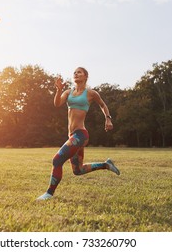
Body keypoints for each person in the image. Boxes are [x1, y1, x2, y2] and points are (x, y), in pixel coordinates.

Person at [37, 67, 120, 200]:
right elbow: (57, 103)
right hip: (72, 136)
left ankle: (49, 193)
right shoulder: (68, 92)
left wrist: (108, 118)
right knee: (78, 170)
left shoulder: (91, 93)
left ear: (85, 77)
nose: (76, 74)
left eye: (79, 72)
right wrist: (58, 90)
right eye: (74, 72)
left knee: (57, 160)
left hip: (80, 135)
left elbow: (103, 105)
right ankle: (106, 164)